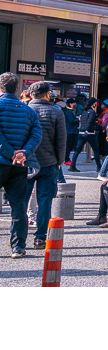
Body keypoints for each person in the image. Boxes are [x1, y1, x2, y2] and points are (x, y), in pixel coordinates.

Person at [0, 73, 42, 257]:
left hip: (3, 160)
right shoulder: (29, 111)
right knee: (18, 206)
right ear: (16, 89)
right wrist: (23, 153)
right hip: (20, 165)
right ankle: (18, 246)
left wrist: (11, 153)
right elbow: (36, 135)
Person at [25, 81, 66, 249]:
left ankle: (17, 238)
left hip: (26, 162)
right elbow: (61, 141)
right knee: (44, 202)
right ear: (47, 94)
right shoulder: (56, 112)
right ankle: (40, 237)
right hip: (49, 163)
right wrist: (59, 161)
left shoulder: (24, 110)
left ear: (30, 95)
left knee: (21, 201)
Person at [71, 98, 102, 171]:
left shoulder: (84, 111)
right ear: (93, 104)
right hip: (90, 133)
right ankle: (99, 167)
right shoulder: (92, 112)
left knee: (77, 150)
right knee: (96, 150)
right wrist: (87, 130)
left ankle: (72, 166)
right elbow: (90, 121)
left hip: (81, 132)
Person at [62, 97, 79, 168]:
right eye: (73, 103)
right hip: (70, 131)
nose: (75, 105)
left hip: (71, 131)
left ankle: (67, 159)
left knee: (69, 146)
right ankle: (66, 160)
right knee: (68, 147)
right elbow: (71, 121)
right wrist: (78, 119)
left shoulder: (71, 111)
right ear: (70, 104)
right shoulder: (69, 112)